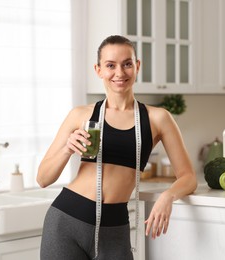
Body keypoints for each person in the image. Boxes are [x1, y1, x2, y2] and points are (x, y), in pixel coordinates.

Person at [37, 35, 197, 260]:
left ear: (137, 66)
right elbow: (43, 178)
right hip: (66, 221)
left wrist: (167, 196)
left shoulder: (158, 118)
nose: (119, 73)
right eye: (110, 65)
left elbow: (188, 177)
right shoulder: (81, 115)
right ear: (98, 70)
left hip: (114, 228)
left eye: (127, 64)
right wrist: (66, 149)